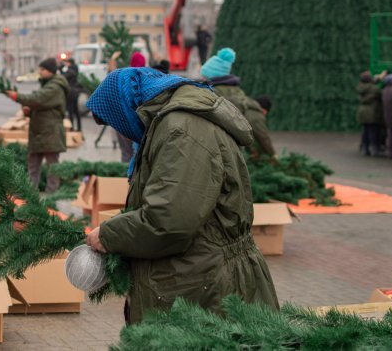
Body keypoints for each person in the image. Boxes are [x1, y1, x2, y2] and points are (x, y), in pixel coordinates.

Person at [84, 67, 279, 324]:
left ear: (126, 109)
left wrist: (109, 235)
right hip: (199, 277)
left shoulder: (182, 130)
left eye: (115, 122)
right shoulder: (171, 124)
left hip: (207, 286)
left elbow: (170, 220)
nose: (121, 132)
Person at [4, 58, 68, 193]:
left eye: (42, 69)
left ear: (50, 71)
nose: (40, 72)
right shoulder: (48, 84)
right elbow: (41, 105)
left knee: (52, 166)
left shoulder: (55, 87)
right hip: (38, 131)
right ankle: (30, 194)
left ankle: (52, 195)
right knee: (33, 165)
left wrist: (17, 96)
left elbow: (38, 99)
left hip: (50, 131)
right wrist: (30, 111)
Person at [356, 71, 383, 156]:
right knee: (374, 131)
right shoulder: (374, 89)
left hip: (362, 112)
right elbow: (380, 94)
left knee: (366, 131)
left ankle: (365, 148)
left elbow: (370, 86)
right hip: (372, 112)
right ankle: (375, 149)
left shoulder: (360, 87)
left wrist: (378, 78)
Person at [61, 58, 82, 132]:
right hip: (75, 92)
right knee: (76, 111)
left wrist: (61, 69)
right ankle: (79, 128)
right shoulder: (75, 68)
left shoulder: (70, 70)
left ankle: (71, 127)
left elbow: (63, 77)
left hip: (71, 93)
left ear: (69, 63)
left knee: (70, 111)